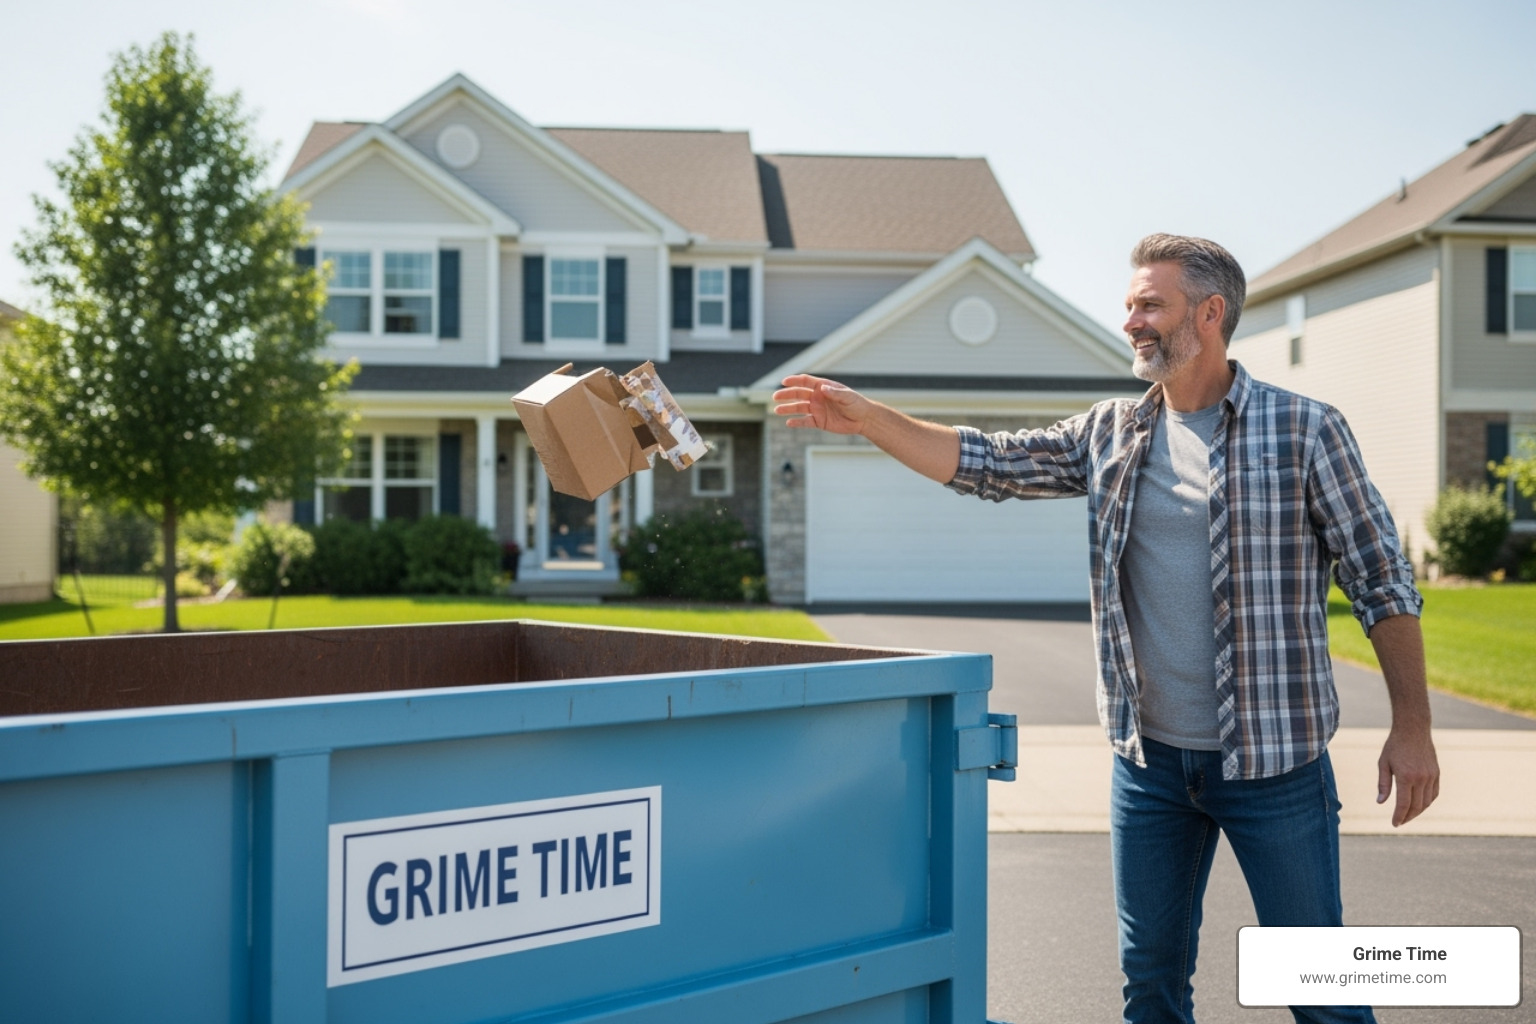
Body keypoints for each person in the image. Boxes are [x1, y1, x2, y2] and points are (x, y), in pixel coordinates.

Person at [772, 234, 1439, 1024]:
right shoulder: (1111, 433)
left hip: (1275, 766)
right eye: (1129, 305)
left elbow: (1381, 580)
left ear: (1211, 312)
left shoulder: (1306, 431)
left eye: (1150, 304)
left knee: (1322, 994)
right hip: (1150, 766)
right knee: (1149, 986)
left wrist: (1414, 727)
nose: (1132, 321)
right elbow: (987, 463)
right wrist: (867, 418)